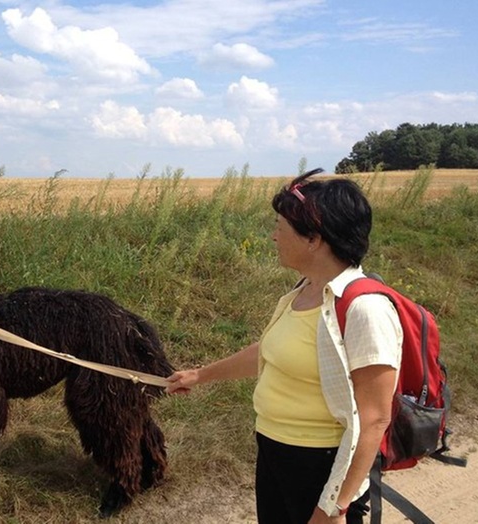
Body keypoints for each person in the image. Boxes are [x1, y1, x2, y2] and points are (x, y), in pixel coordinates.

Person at [166, 169, 402, 524]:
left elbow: (374, 419)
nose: (274, 235)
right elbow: (269, 352)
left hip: (319, 465)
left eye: (281, 226)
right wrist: (200, 376)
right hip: (275, 451)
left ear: (314, 239)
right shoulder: (305, 290)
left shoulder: (365, 309)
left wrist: (333, 508)